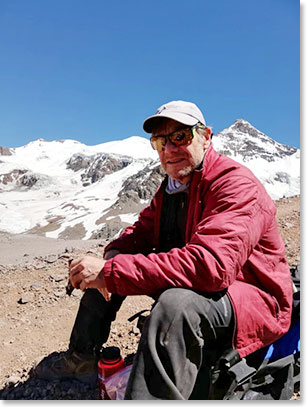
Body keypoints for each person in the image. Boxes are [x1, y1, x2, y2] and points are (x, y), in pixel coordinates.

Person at [35, 100, 293, 399]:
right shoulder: (172, 188)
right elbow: (139, 233)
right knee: (111, 265)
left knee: (174, 304)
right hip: (207, 287)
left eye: (180, 136)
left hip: (254, 297)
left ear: (206, 136)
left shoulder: (235, 184)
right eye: (159, 141)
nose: (169, 149)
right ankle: (82, 358)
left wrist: (110, 271)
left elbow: (211, 266)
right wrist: (110, 258)